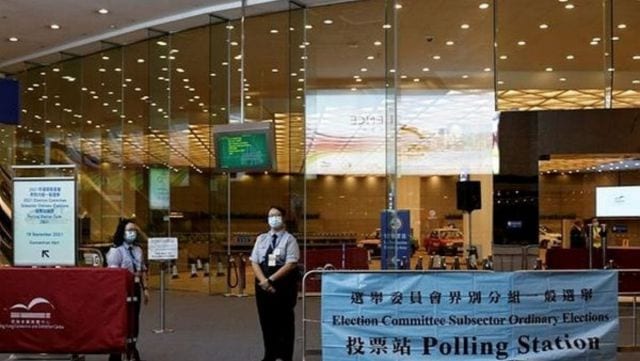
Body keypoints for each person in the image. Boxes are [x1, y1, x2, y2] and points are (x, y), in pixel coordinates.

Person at [250, 206, 300, 361]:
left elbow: (291, 263)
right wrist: (263, 281)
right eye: (270, 215)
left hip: (283, 284)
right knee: (266, 320)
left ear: (283, 218)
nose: (273, 218)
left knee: (284, 321)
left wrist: (271, 280)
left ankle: (285, 355)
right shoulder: (261, 238)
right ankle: (270, 354)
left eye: (277, 215)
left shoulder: (289, 239)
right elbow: (254, 261)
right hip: (262, 284)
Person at [106, 218, 149, 361]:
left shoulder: (138, 250)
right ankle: (116, 351)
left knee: (134, 319)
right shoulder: (116, 251)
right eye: (129, 230)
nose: (132, 233)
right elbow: (112, 275)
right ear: (122, 232)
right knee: (121, 321)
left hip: (135, 289)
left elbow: (142, 270)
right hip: (121, 290)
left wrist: (145, 289)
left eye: (134, 231)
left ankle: (132, 348)